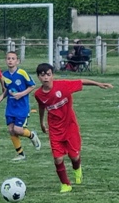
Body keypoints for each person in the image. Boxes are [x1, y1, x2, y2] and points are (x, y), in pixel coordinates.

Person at [34, 63, 113, 193]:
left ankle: (77, 169)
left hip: (70, 126)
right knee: (58, 158)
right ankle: (65, 184)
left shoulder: (63, 85)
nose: (46, 78)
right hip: (55, 129)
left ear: (52, 75)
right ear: (38, 77)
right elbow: (42, 107)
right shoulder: (38, 94)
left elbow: (81, 81)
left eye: (48, 74)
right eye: (42, 75)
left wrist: (98, 83)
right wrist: (42, 122)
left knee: (74, 156)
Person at [0, 51, 41, 161]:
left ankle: (32, 135)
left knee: (18, 130)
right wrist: (2, 96)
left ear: (17, 61)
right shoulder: (4, 75)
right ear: (5, 61)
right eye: (8, 58)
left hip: (22, 107)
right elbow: (7, 89)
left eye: (13, 58)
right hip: (10, 107)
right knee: (11, 130)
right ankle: (21, 154)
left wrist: (21, 94)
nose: (10, 60)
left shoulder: (22, 73)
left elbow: (32, 86)